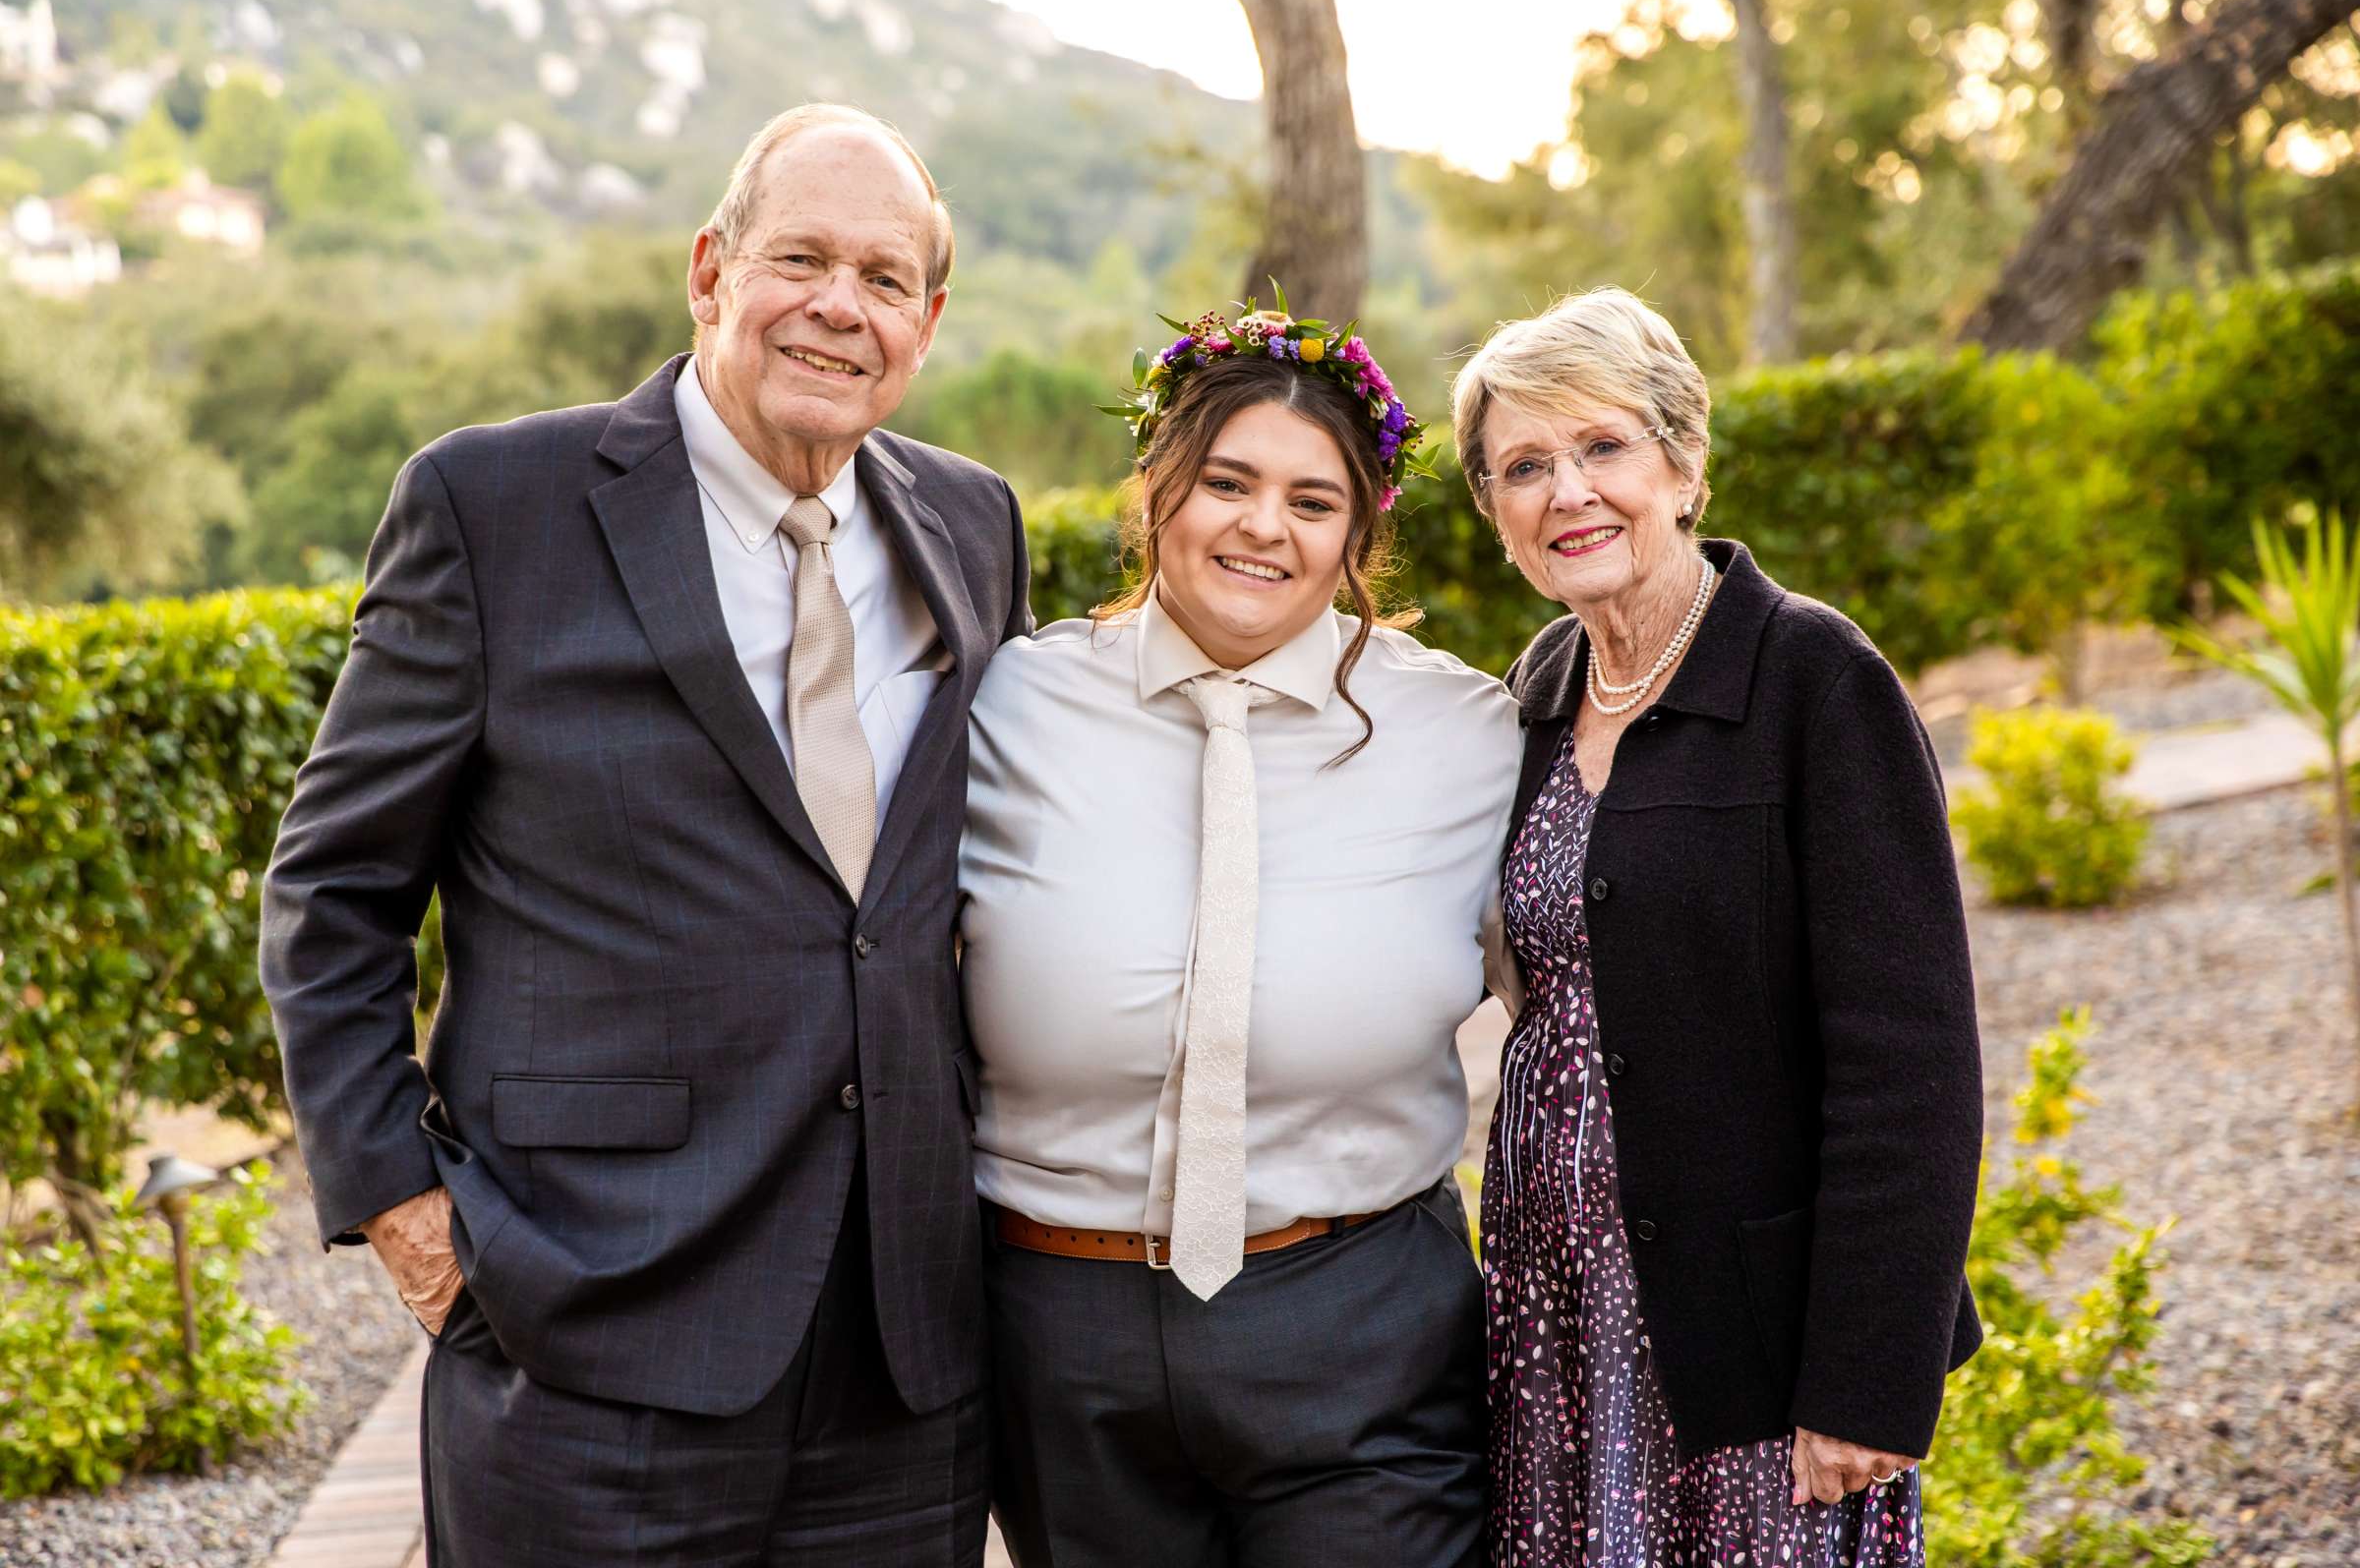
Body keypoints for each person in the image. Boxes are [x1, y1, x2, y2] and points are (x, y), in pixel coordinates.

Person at [259, 103, 1031, 1566]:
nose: (837, 307)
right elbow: (334, 891)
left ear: (928, 321)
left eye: (881, 279)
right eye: (799, 257)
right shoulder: (492, 507)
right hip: (589, 1334)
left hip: (907, 1357)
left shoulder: (973, 523)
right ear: (708, 270)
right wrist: (410, 1221)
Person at [958, 308, 1514, 1567]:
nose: (1266, 525)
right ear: (1159, 490)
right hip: (1061, 1330)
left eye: (1314, 501)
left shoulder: (1470, 735)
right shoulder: (1009, 702)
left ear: (1359, 532)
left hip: (1362, 1317)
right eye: (1228, 482)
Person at [1450, 288, 1983, 1566]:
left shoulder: (1815, 680)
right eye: (1524, 466)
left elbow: (1911, 1061)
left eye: (1603, 447)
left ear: (1684, 466)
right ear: (1497, 516)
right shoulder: (1536, 692)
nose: (1566, 490)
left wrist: (1864, 1379)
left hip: (1754, 1340)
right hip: (1558, 1318)